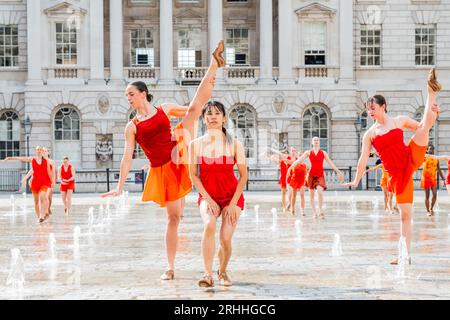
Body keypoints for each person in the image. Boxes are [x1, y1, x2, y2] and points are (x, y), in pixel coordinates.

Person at [101, 40, 225, 281]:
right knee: (174, 217)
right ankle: (170, 266)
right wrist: (119, 187)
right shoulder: (132, 126)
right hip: (162, 169)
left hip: (178, 149)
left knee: (194, 109)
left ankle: (213, 64)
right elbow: (127, 157)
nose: (128, 97)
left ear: (143, 93)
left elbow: (192, 107)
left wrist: (204, 96)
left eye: (131, 94)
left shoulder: (163, 108)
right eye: (126, 95)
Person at [342, 68, 441, 264]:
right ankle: (405, 255)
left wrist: (434, 116)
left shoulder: (398, 121)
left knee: (424, 127)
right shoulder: (369, 134)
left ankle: (431, 91)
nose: (370, 112)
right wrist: (356, 180)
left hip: (410, 157)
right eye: (368, 109)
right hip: (397, 174)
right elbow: (363, 158)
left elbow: (421, 126)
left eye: (373, 108)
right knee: (405, 215)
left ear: (383, 107)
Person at [189, 101, 247, 288]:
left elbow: (244, 175)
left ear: (224, 118)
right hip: (208, 195)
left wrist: (232, 203)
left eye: (217, 113)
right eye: (209, 114)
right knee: (209, 224)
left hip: (232, 196)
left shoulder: (235, 144)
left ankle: (222, 271)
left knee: (225, 238)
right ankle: (207, 274)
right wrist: (208, 199)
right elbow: (193, 176)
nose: (213, 117)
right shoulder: (195, 145)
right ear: (204, 119)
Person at [290, 137, 344, 219]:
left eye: (317, 140)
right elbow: (299, 160)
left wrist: (338, 171)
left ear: (319, 142)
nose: (316, 141)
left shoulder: (323, 153)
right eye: (314, 140)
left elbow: (330, 163)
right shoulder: (308, 152)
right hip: (311, 175)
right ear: (312, 142)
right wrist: (291, 166)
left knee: (320, 191)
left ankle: (320, 210)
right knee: (311, 195)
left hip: (320, 175)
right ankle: (314, 212)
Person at [2, 146, 52, 223]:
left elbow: (49, 171)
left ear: (42, 151)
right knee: (36, 201)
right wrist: (10, 158)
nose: (39, 151)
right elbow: (22, 159)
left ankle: (42, 216)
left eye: (40, 150)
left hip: (44, 182)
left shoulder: (46, 160)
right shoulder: (32, 159)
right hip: (35, 183)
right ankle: (39, 217)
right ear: (36, 151)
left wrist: (51, 181)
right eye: (37, 150)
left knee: (42, 197)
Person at [421, 145, 445, 216]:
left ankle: (431, 208)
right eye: (429, 149)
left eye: (432, 149)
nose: (431, 150)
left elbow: (439, 169)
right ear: (427, 150)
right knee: (427, 196)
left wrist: (443, 179)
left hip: (433, 179)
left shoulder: (436, 158)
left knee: (435, 194)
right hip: (425, 179)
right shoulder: (424, 157)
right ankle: (428, 211)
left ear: (433, 150)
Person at [270, 148, 295, 212]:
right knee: (283, 193)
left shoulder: (290, 159)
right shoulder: (281, 161)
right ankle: (284, 207)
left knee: (291, 193)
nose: (285, 154)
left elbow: (293, 161)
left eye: (286, 153)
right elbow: (272, 158)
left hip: (290, 178)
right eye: (284, 153)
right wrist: (273, 156)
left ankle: (290, 205)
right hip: (283, 178)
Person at [286, 151, 308, 216]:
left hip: (302, 181)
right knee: (294, 195)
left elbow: (306, 174)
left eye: (302, 155)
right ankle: (292, 209)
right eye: (299, 155)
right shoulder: (294, 163)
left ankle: (302, 210)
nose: (300, 156)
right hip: (295, 180)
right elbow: (289, 170)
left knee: (302, 195)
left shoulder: (305, 165)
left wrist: (306, 180)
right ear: (297, 156)